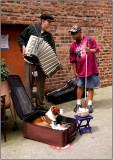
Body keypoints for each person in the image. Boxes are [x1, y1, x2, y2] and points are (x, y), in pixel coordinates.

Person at [18, 14, 56, 111]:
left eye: (51, 22)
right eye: (49, 22)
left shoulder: (49, 36)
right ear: (42, 21)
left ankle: (40, 105)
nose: (50, 24)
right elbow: (20, 38)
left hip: (41, 64)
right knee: (28, 84)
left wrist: (52, 61)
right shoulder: (31, 29)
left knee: (40, 85)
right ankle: (28, 107)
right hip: (29, 62)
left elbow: (53, 50)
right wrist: (23, 47)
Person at [69, 25, 100, 113]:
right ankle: (78, 104)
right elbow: (73, 60)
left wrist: (90, 50)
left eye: (75, 33)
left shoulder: (90, 39)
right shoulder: (73, 46)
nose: (73, 35)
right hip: (80, 69)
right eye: (72, 33)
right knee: (79, 86)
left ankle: (89, 104)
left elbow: (97, 50)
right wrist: (75, 71)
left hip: (91, 68)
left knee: (90, 86)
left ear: (80, 32)